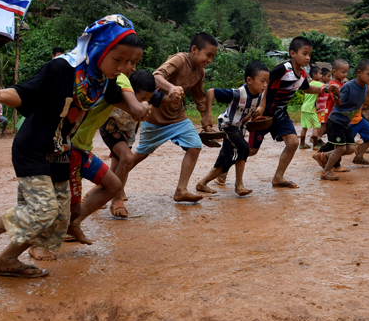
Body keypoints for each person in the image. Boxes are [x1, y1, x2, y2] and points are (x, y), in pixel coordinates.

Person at [0, 15, 146, 274]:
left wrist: (137, 105)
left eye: (131, 62)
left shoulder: (100, 78)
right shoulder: (62, 68)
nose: (123, 67)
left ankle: (7, 260)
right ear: (98, 47)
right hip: (33, 147)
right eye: (118, 59)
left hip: (62, 149)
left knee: (59, 220)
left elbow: (117, 95)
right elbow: (25, 93)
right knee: (43, 211)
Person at [128, 33, 218, 203]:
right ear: (194, 50)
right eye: (208, 55)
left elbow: (199, 97)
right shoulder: (179, 60)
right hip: (155, 117)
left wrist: (206, 119)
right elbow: (156, 76)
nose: (210, 60)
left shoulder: (200, 71)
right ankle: (111, 184)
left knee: (195, 146)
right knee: (139, 155)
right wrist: (170, 88)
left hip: (177, 117)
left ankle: (181, 190)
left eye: (212, 57)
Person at [70, 45, 154, 220]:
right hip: (101, 134)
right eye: (128, 61)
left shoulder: (110, 80)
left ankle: (74, 222)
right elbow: (137, 110)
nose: (132, 67)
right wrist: (142, 107)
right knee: (125, 161)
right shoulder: (118, 80)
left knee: (114, 177)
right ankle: (114, 202)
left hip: (84, 144)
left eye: (135, 63)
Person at [245, 37, 337, 189]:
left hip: (280, 113)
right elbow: (264, 82)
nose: (308, 57)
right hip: (264, 114)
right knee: (252, 150)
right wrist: (261, 105)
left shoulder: (301, 74)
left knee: (293, 142)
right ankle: (224, 167)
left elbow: (307, 89)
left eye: (310, 55)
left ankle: (278, 177)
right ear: (293, 53)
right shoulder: (284, 68)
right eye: (304, 53)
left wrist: (326, 89)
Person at [90, 70, 161, 218]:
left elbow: (164, 99)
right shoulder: (119, 94)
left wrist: (174, 93)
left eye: (149, 97)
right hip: (111, 129)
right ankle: (116, 200)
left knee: (118, 167)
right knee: (127, 158)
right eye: (142, 97)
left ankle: (97, 193)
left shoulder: (148, 101)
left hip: (127, 134)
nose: (146, 100)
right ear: (130, 91)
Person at [195, 61, 269, 196]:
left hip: (239, 129)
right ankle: (239, 185)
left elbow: (260, 105)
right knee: (244, 148)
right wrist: (207, 116)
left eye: (267, 82)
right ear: (249, 80)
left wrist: (258, 111)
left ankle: (202, 183)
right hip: (227, 126)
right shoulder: (238, 93)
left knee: (225, 162)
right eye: (262, 81)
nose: (265, 85)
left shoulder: (260, 94)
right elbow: (211, 92)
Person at [316, 59, 369, 180]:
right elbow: (338, 103)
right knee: (341, 148)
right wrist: (337, 95)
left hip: (346, 122)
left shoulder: (365, 88)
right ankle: (326, 171)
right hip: (336, 121)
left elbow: (362, 104)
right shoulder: (349, 86)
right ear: (359, 72)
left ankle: (324, 155)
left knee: (350, 148)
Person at [299, 66, 323, 149]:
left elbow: (311, 98)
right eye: (320, 74)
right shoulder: (318, 84)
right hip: (310, 109)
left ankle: (302, 144)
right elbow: (327, 87)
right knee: (316, 126)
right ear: (314, 74)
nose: (321, 76)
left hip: (304, 107)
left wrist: (316, 105)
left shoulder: (308, 84)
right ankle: (315, 145)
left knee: (304, 126)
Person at [311, 67, 332, 151]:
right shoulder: (321, 86)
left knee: (325, 125)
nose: (329, 78)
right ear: (322, 76)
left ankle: (317, 138)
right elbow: (314, 96)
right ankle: (316, 139)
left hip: (325, 109)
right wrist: (316, 105)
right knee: (323, 124)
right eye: (328, 76)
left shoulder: (325, 86)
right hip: (321, 109)